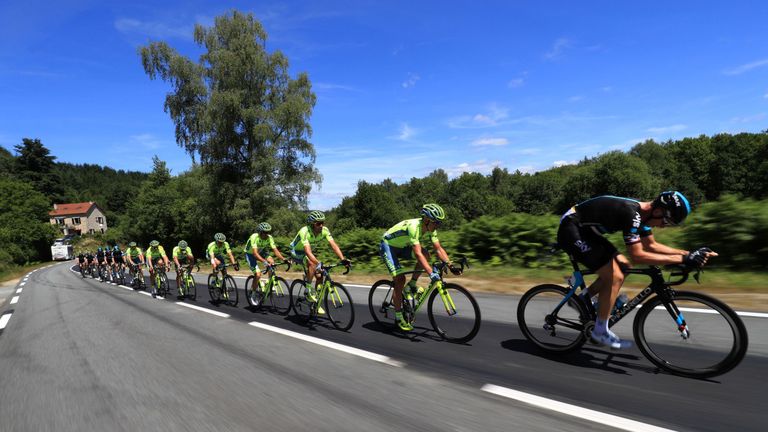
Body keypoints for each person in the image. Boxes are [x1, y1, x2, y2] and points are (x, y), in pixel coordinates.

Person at [557, 191, 716, 349]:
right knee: (615, 277)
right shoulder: (632, 214)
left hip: (588, 232)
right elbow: (638, 255)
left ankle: (582, 300)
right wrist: (683, 260)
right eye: (666, 221)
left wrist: (687, 253)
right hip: (571, 228)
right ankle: (599, 331)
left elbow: (651, 246)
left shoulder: (644, 216)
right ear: (658, 211)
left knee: (625, 267)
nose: (663, 226)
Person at [380, 203, 461, 331]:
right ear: (427, 220)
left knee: (426, 254)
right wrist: (430, 272)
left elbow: (438, 249)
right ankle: (398, 317)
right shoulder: (414, 227)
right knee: (400, 279)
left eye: (440, 223)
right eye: (436, 223)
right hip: (388, 246)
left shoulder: (430, 229)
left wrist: (450, 265)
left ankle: (412, 285)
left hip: (402, 246)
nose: (438, 226)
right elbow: (417, 254)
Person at [289, 211, 350, 314]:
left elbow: (334, 245)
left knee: (320, 276)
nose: (321, 225)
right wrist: (318, 263)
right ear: (312, 224)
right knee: (313, 264)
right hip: (296, 251)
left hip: (307, 252)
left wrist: (342, 259)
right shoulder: (304, 231)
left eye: (322, 223)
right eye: (318, 223)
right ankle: (308, 289)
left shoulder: (325, 230)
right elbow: (307, 252)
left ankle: (316, 304)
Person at [243, 222, 287, 295]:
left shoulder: (269, 238)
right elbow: (255, 253)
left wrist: (283, 259)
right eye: (265, 232)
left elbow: (275, 250)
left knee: (272, 262)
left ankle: (269, 282)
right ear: (260, 232)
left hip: (261, 251)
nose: (267, 234)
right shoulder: (254, 237)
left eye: (268, 232)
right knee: (258, 274)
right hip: (250, 254)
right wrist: (264, 261)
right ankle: (253, 293)